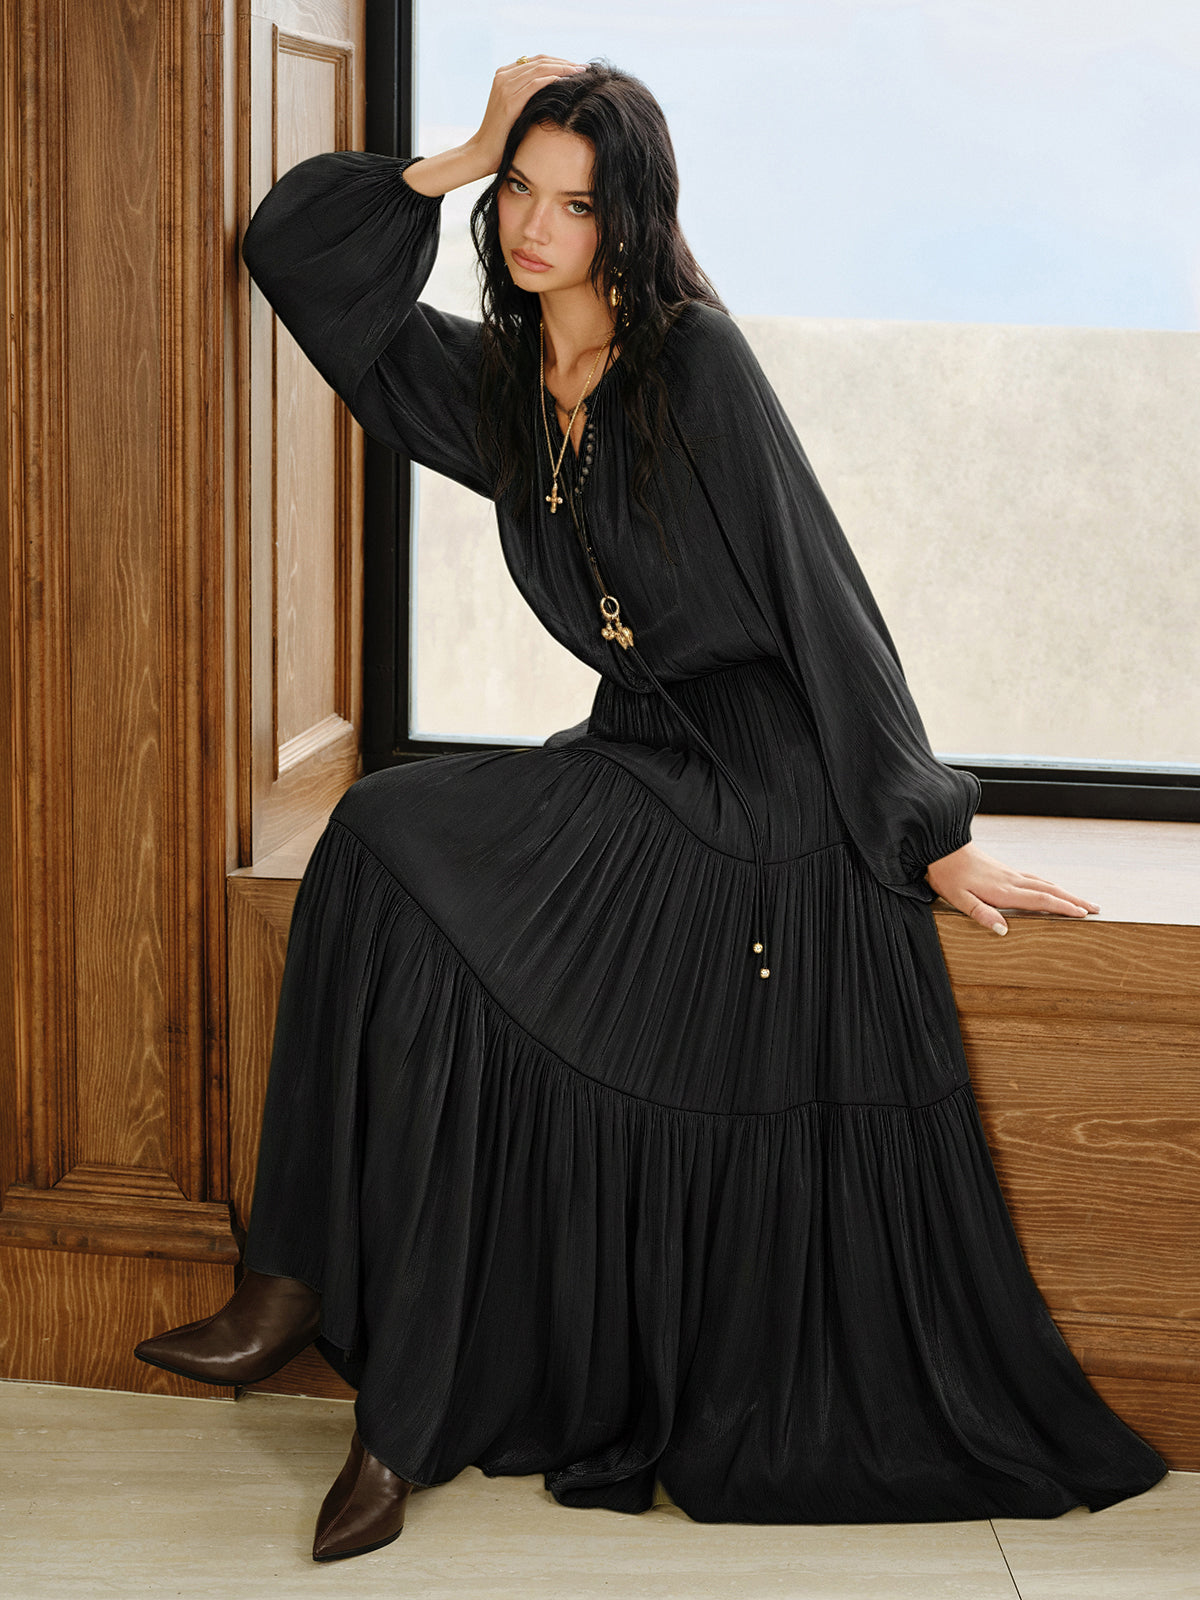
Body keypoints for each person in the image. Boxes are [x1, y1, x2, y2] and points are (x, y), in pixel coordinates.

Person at [135, 56, 1167, 1563]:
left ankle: (401, 1416)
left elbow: (823, 594)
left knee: (415, 874)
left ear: (630, 222)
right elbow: (296, 259)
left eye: (574, 204)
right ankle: (288, 1291)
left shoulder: (696, 367)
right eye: (521, 193)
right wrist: (459, 151)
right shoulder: (504, 388)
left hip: (760, 789)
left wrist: (930, 833)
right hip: (637, 753)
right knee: (379, 845)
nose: (535, 227)